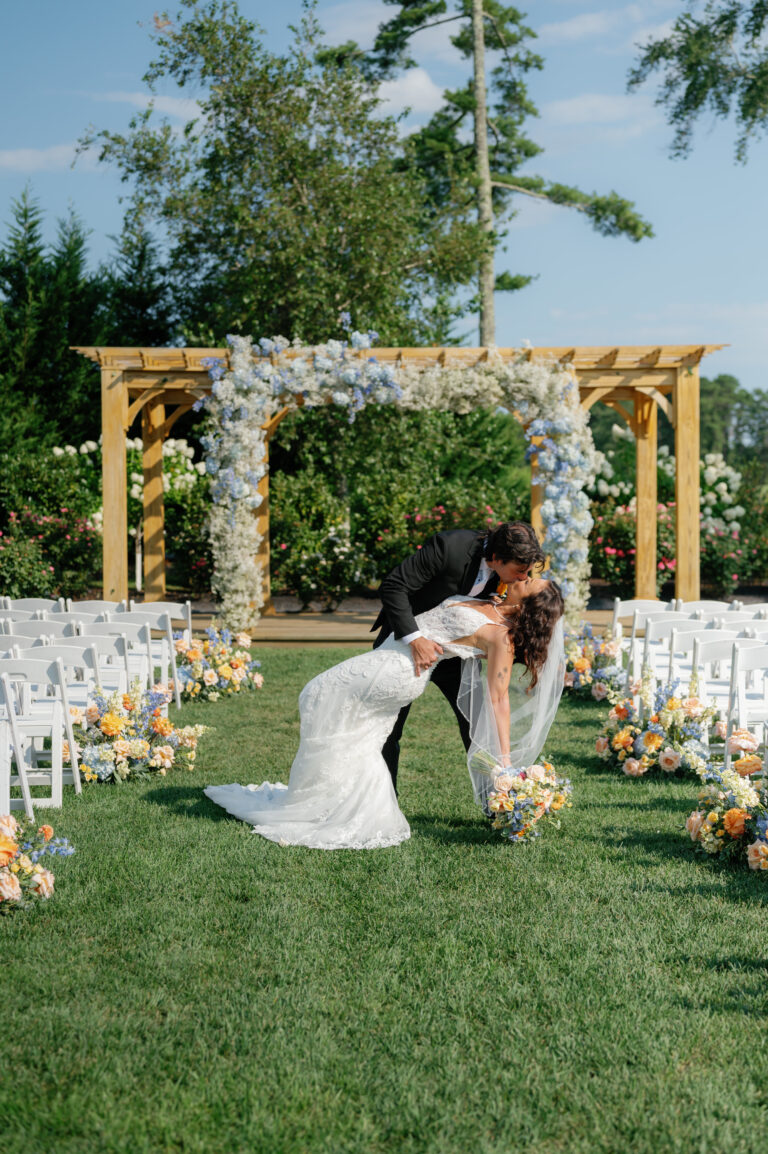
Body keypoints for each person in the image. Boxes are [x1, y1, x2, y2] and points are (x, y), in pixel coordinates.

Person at [203, 576, 565, 850]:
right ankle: (324, 800)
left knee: (316, 693)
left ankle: (331, 806)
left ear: (528, 605)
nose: (523, 577)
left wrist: (504, 764)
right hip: (388, 657)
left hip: (400, 672)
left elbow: (499, 699)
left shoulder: (502, 638)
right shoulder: (490, 598)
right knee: (347, 726)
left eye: (530, 583)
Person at [372, 521, 546, 791]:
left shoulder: (511, 566)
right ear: (497, 559)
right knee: (388, 730)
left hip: (456, 655)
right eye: (520, 571)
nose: (523, 578)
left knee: (479, 725)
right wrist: (416, 639)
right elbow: (394, 586)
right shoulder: (448, 547)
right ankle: (385, 803)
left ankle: (500, 803)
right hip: (406, 647)